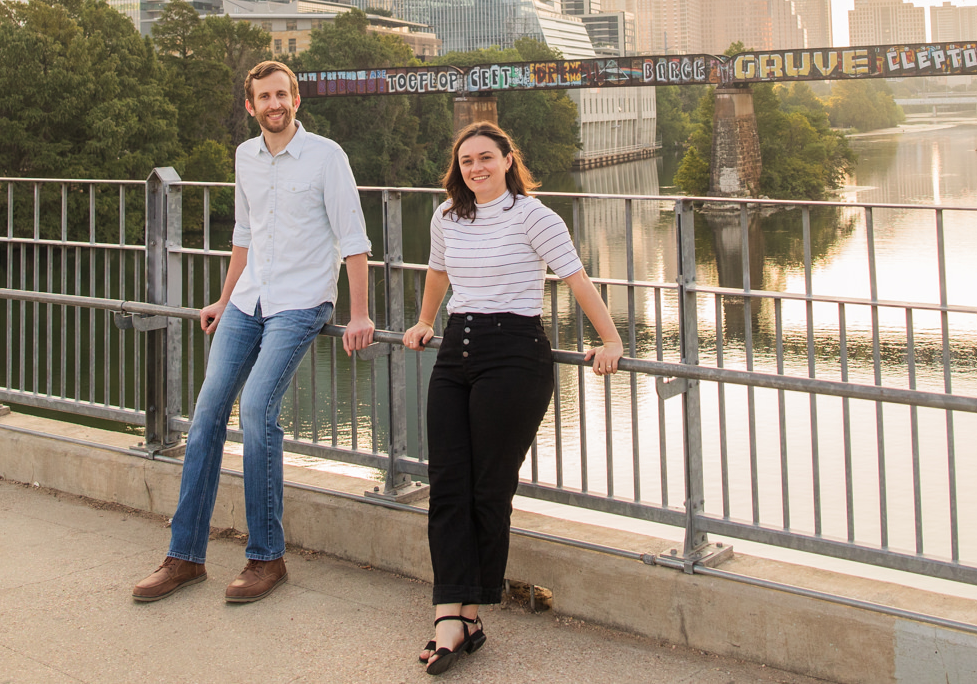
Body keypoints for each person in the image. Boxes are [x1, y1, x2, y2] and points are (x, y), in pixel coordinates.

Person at [132, 59, 374, 606]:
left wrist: (358, 314)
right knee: (206, 416)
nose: (274, 104)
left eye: (282, 94)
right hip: (247, 302)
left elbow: (354, 240)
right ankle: (184, 557)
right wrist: (223, 297)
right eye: (264, 97)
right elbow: (245, 234)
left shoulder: (326, 156)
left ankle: (267, 557)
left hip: (301, 303)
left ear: (296, 99)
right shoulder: (245, 156)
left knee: (260, 411)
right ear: (251, 105)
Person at [402, 121, 623, 674]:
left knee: (487, 488)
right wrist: (426, 320)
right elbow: (438, 271)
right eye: (466, 160)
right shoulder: (447, 215)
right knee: (447, 483)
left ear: (506, 160)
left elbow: (576, 280)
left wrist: (611, 338)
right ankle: (452, 613)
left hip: (515, 354)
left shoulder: (534, 216)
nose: (475, 167)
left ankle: (462, 615)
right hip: (457, 350)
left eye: (485, 158)